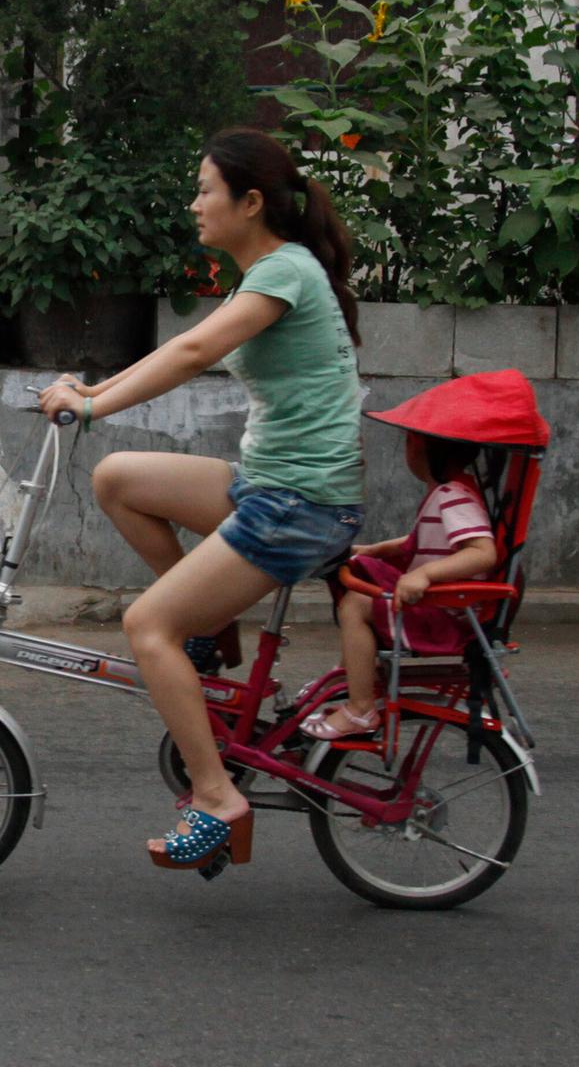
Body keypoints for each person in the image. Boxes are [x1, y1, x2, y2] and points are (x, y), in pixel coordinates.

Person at [37, 127, 365, 872]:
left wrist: (90, 408)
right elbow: (181, 347)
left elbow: (191, 354)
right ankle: (215, 637)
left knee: (146, 626)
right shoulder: (278, 270)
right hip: (272, 488)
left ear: (250, 203)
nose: (194, 205)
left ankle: (217, 797)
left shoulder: (285, 273)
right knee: (118, 478)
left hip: (298, 506)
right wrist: (94, 392)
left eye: (206, 190)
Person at [302, 432, 498, 739]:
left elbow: (483, 552)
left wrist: (425, 574)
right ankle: (349, 678)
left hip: (443, 616)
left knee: (355, 605)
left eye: (408, 443)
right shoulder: (447, 492)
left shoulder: (453, 495)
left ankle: (360, 707)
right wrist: (375, 550)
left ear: (420, 450)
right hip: (439, 608)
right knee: (357, 587)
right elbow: (416, 542)